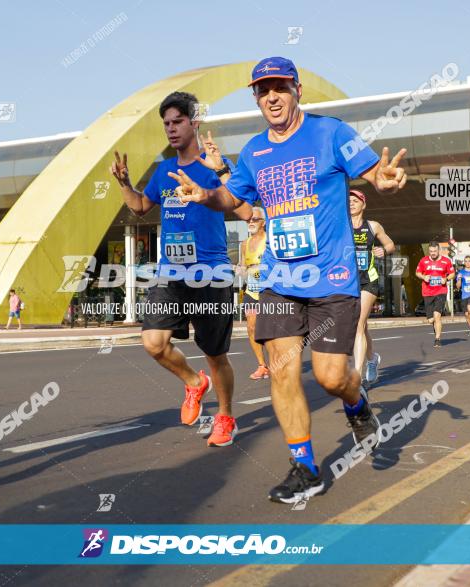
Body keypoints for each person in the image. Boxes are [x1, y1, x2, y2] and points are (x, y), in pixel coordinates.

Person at [169, 57, 408, 503]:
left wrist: (384, 178)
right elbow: (233, 196)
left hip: (333, 278)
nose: (272, 96)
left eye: (280, 87)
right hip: (280, 279)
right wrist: (206, 194)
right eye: (263, 90)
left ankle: (357, 406)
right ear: (256, 98)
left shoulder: (330, 132)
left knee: (332, 378)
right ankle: (304, 467)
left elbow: (375, 172)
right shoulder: (256, 151)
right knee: (281, 370)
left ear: (297, 89)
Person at [111, 91, 248, 447]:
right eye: (166, 124)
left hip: (212, 271)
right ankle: (192, 382)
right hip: (172, 271)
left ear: (194, 122)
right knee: (153, 343)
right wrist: (125, 183)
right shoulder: (163, 171)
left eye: (178, 121)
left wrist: (218, 174)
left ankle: (226, 416)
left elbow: (244, 208)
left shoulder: (216, 164)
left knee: (215, 355)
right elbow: (140, 206)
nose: (171, 129)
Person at [349, 188, 395, 385]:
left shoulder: (373, 226)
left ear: (363, 204)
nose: (351, 202)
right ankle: (372, 359)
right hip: (347, 281)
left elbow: (391, 244)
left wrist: (383, 250)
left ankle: (357, 376)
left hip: (368, 280)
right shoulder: (340, 224)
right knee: (363, 326)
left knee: (357, 325)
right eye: (348, 200)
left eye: (355, 200)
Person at [240, 207, 269, 380]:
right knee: (251, 327)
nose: (251, 222)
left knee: (271, 328)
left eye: (255, 219)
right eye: (248, 220)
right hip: (252, 290)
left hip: (270, 290)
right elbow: (243, 267)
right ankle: (262, 365)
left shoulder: (270, 240)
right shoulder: (244, 244)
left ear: (263, 223)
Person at [415, 242, 455, 348]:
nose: (433, 253)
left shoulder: (446, 261)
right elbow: (417, 272)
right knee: (431, 320)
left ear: (439, 250)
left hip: (441, 292)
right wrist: (424, 277)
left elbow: (452, 274)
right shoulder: (424, 261)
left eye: (435, 251)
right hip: (427, 292)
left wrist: (445, 279)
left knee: (437, 316)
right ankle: (435, 329)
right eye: (431, 251)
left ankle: (437, 339)